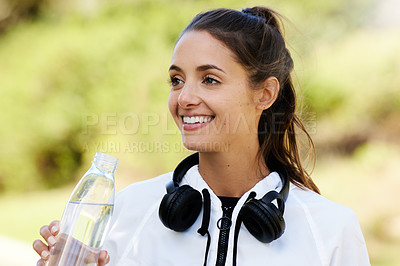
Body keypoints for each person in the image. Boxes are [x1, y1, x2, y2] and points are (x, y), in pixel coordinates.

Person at [33, 6, 370, 266]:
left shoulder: (331, 229)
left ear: (264, 95)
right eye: (177, 80)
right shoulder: (129, 211)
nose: (184, 98)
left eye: (209, 79)